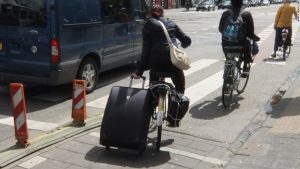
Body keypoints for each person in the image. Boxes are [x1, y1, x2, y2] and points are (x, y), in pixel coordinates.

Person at [132, 5, 191, 94]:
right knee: (180, 88)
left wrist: (139, 72)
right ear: (162, 13)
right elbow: (187, 40)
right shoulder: (171, 23)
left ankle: (152, 103)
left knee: (152, 91)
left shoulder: (147, 26)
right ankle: (178, 103)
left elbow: (146, 51)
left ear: (150, 14)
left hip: (156, 64)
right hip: (173, 63)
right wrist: (183, 44)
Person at [218, 0, 260, 77]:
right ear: (242, 3)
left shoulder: (225, 13)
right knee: (248, 46)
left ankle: (228, 66)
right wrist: (256, 38)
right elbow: (250, 34)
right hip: (241, 45)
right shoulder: (246, 14)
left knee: (228, 57)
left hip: (226, 44)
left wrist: (229, 36)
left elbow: (220, 29)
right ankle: (246, 67)